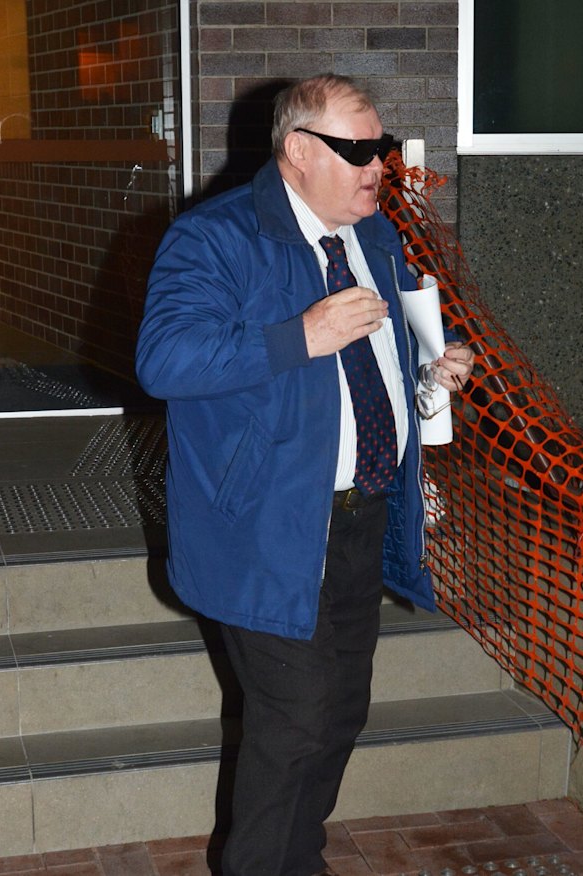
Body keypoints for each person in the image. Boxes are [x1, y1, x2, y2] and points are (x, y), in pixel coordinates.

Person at [136, 74, 474, 876]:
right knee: (294, 727)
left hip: (363, 515)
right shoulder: (213, 238)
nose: (378, 166)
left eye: (381, 148)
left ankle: (298, 862)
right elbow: (164, 359)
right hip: (267, 526)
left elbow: (387, 345)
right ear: (297, 151)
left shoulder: (376, 236)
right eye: (357, 150)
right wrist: (300, 336)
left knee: (338, 714)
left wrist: (435, 362)